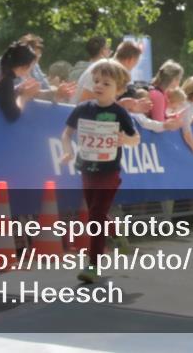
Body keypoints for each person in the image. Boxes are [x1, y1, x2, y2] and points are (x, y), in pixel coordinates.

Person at [59, 59, 140, 283]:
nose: (99, 86)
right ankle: (116, 234)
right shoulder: (83, 109)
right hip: (87, 169)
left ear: (119, 89)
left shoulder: (119, 113)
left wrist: (125, 140)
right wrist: (67, 151)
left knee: (95, 215)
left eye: (106, 83)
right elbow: (66, 134)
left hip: (109, 171)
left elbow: (136, 138)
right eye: (96, 81)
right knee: (97, 213)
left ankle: (93, 264)